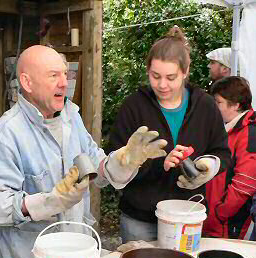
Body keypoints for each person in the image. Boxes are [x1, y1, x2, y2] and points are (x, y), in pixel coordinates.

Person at [0, 45, 167, 258]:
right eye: (53, 75)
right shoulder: (5, 135)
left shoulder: (70, 117)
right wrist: (49, 202)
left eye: (65, 75)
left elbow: (96, 168)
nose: (64, 83)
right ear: (27, 82)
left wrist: (124, 162)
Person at [106, 26, 231, 243]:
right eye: (155, 76)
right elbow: (113, 161)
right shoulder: (134, 107)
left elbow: (222, 152)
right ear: (147, 71)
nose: (162, 85)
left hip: (188, 216)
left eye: (171, 77)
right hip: (140, 218)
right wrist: (158, 164)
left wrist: (207, 167)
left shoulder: (205, 106)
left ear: (185, 71)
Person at [204, 76, 256, 240]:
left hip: (226, 224)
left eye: (218, 102)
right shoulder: (229, 128)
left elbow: (244, 183)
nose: (214, 107)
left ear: (235, 105)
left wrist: (219, 214)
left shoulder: (249, 132)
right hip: (215, 221)